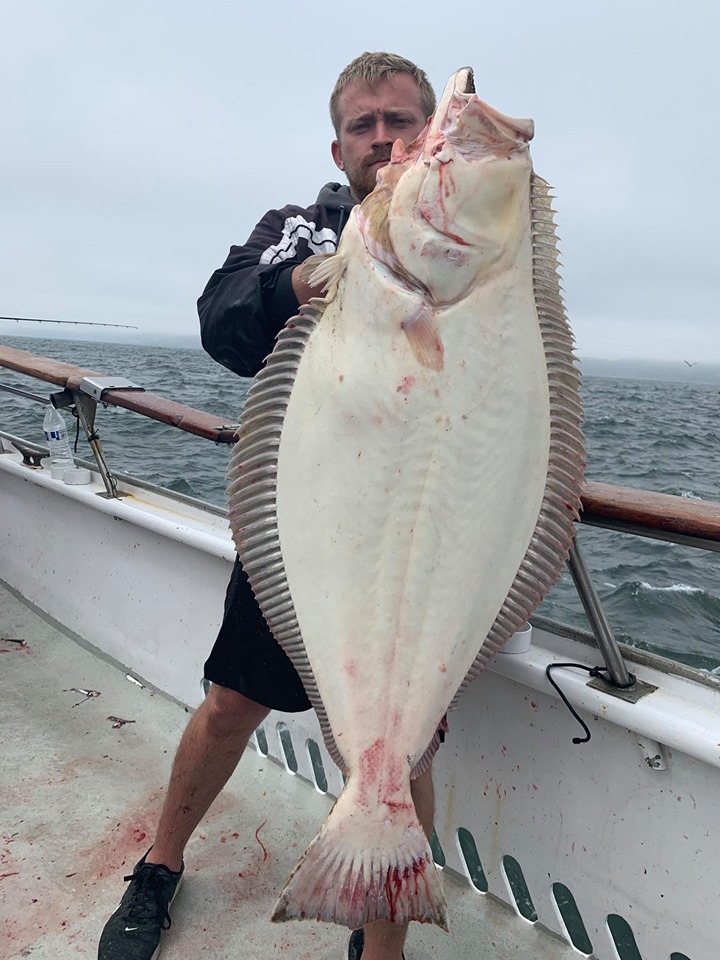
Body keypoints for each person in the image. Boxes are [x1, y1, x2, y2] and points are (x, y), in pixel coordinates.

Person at [98, 51, 437, 960]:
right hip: (304, 525)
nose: (383, 138)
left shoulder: (466, 236)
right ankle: (159, 866)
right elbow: (219, 320)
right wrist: (300, 282)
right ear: (338, 145)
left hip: (414, 534)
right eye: (364, 125)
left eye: (400, 120)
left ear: (429, 131)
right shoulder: (298, 228)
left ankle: (383, 945)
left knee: (404, 745)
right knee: (231, 701)